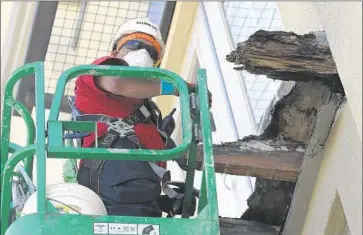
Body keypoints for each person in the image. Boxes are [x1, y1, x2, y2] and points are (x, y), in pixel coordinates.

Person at [69, 18, 211, 217]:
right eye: (134, 45)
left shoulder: (148, 113)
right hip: (110, 179)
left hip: (139, 193)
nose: (143, 53)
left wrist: (168, 198)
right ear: (116, 51)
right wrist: (177, 87)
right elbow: (117, 84)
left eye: (152, 52)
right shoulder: (94, 74)